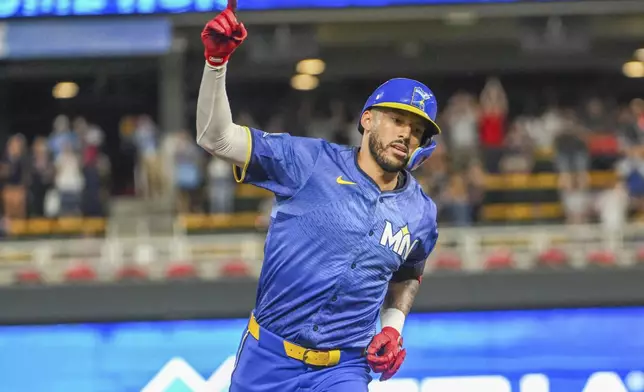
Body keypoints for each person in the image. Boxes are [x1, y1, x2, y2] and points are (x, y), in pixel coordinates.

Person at [196, 2, 440, 391]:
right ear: (367, 120)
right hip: (268, 359)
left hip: (342, 369)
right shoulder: (307, 162)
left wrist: (392, 328)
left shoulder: (421, 212)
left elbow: (409, 272)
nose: (406, 134)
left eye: (417, 130)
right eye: (397, 119)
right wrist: (215, 63)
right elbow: (216, 138)